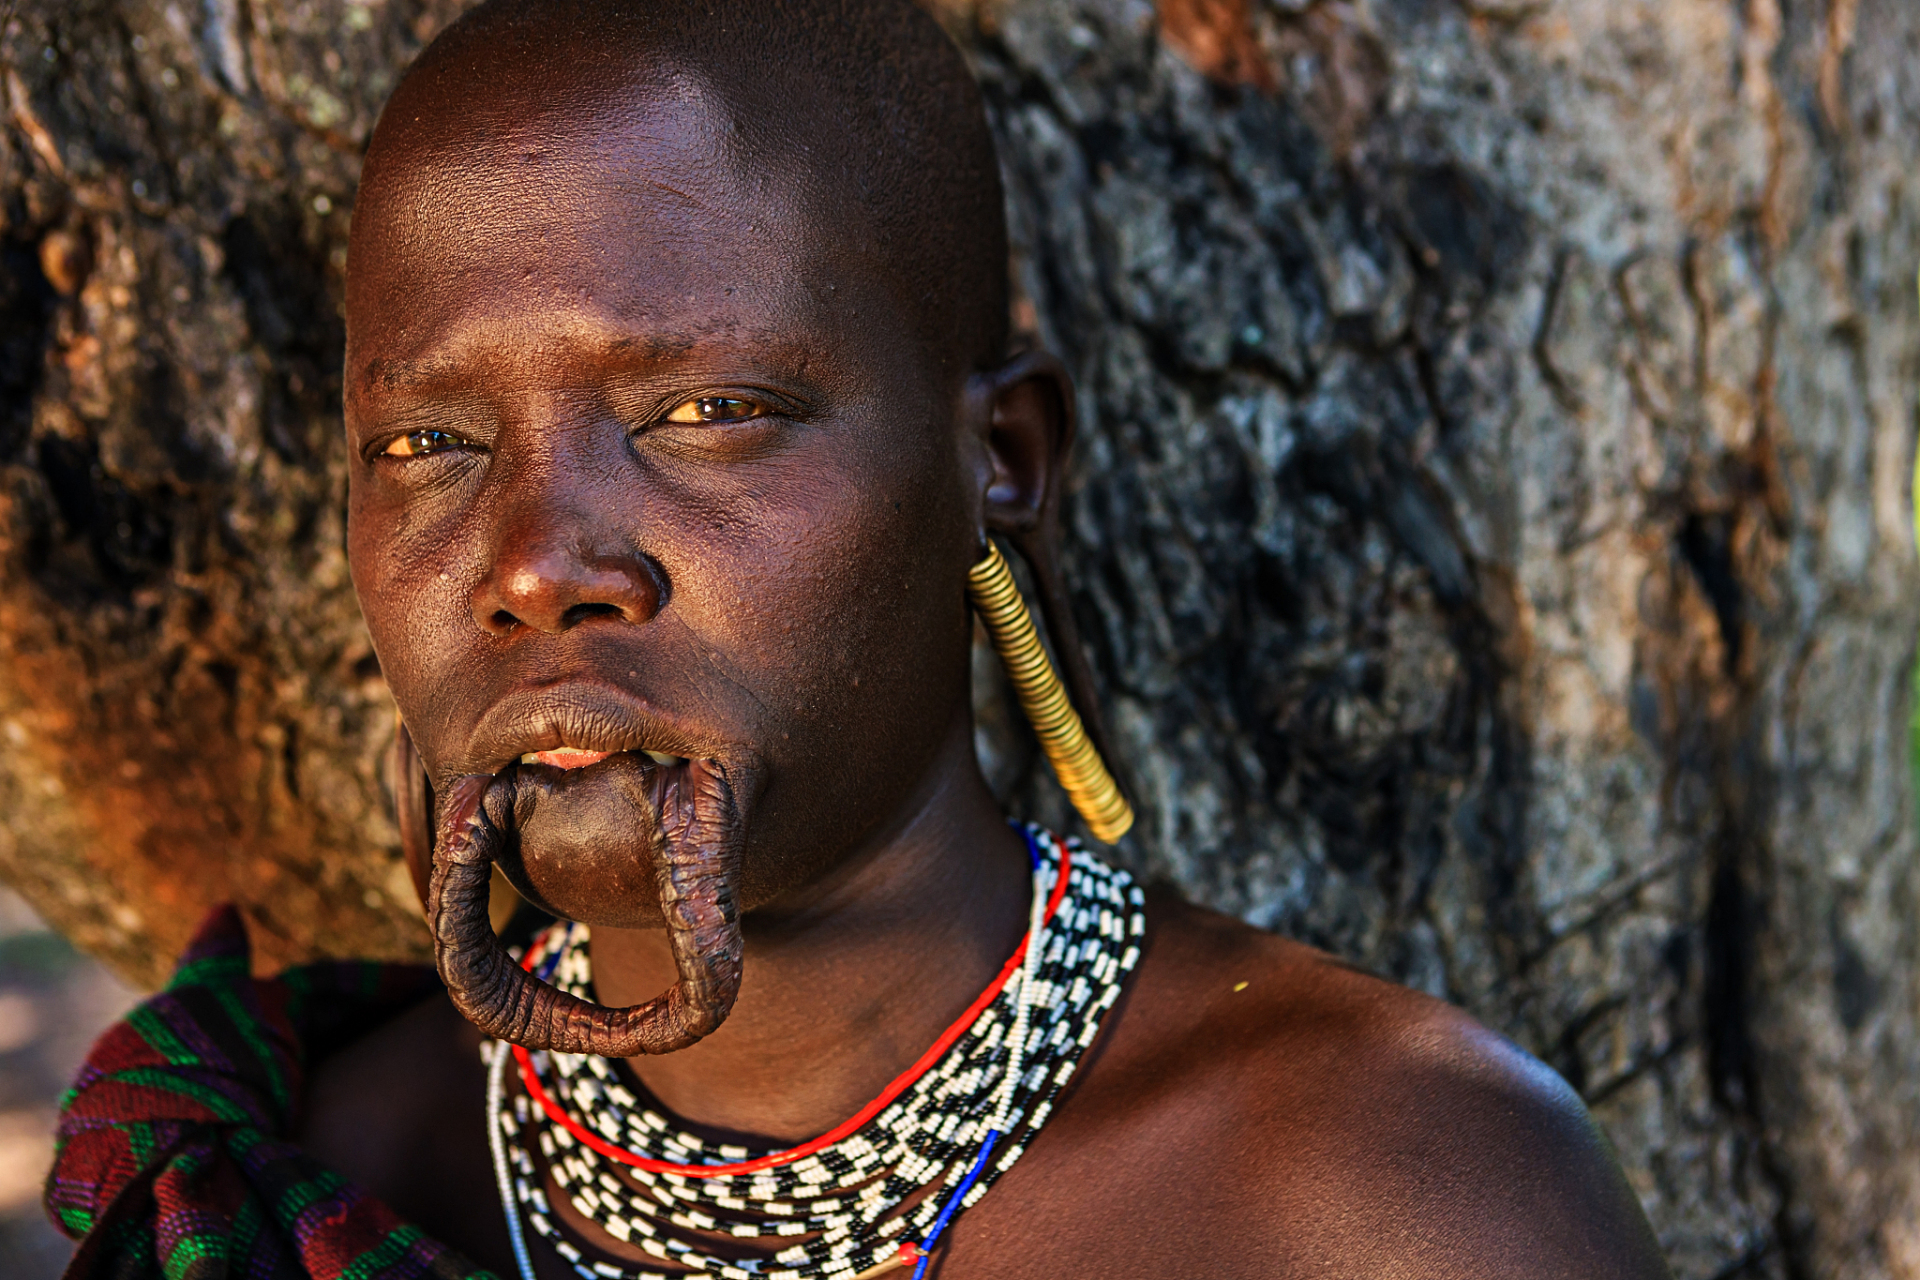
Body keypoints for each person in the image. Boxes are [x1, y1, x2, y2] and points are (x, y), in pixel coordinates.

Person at [46, 1, 1671, 1277]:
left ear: (1001, 459)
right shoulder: (271, 1185)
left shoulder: (1389, 1205)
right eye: (429, 447)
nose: (538, 565)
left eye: (706, 413)